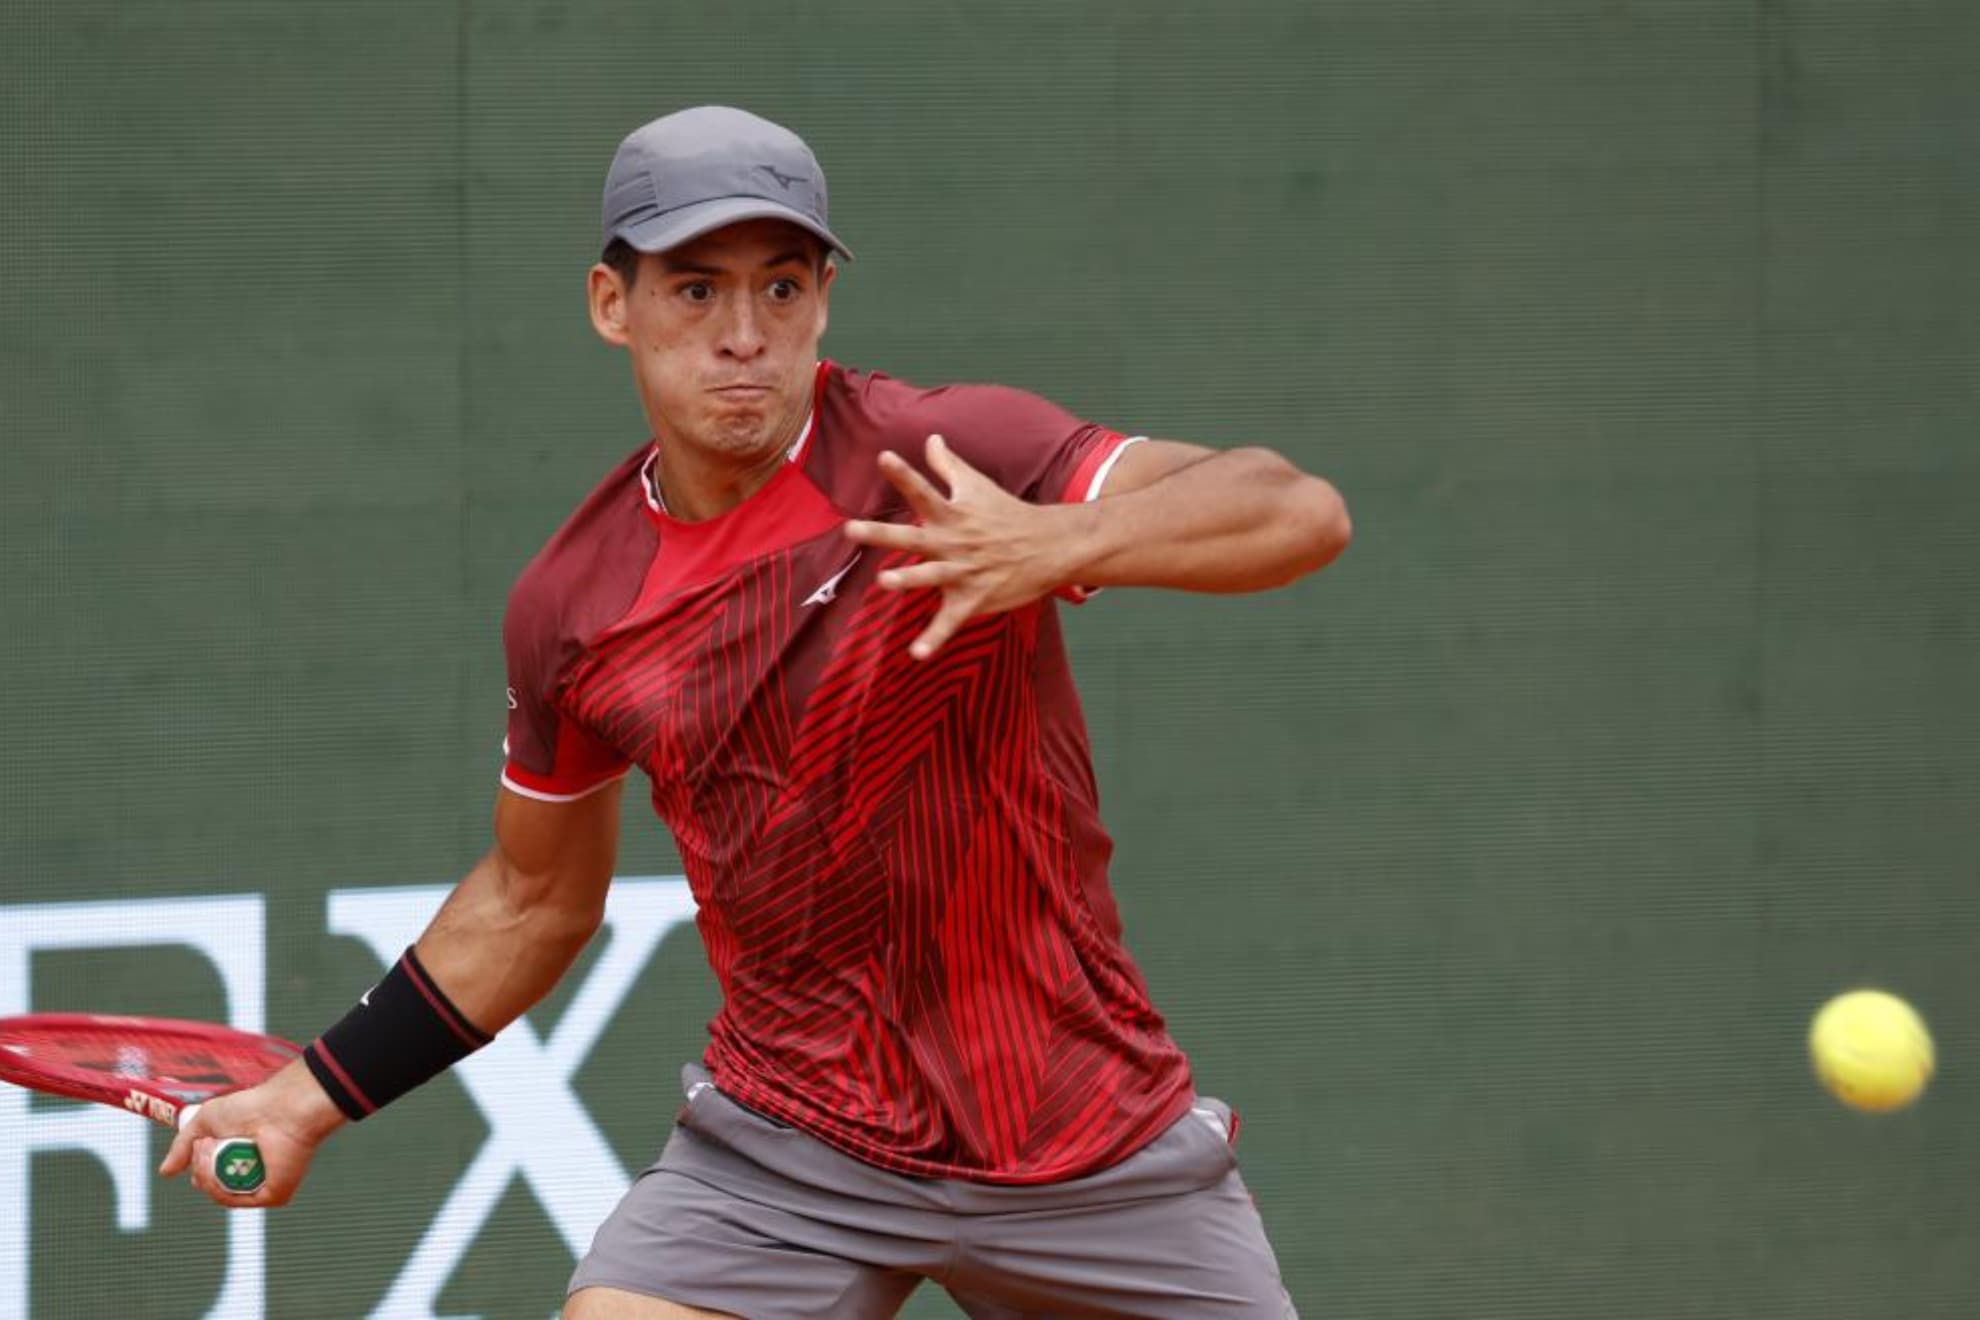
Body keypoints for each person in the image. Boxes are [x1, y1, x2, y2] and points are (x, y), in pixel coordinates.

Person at [162, 105, 1350, 1319]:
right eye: (695, 290)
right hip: (793, 1151)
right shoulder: (575, 606)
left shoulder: (946, 456)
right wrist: (304, 1101)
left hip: (1085, 1137)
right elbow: (532, 901)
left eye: (781, 288)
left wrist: (1061, 541)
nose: (744, 335)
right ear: (612, 305)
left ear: (822, 301)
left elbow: (1295, 510)